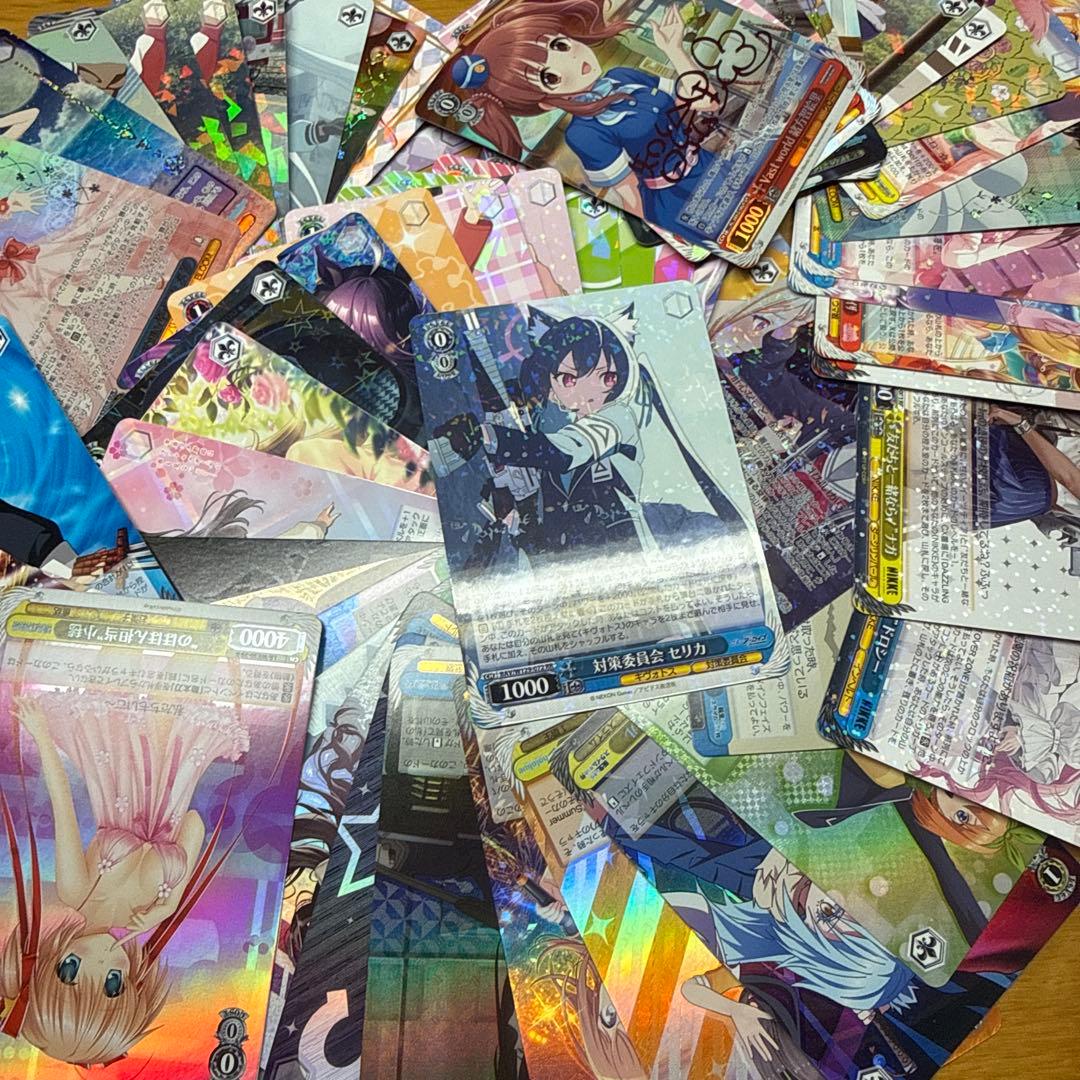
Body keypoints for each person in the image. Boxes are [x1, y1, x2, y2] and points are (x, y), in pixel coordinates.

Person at [1, 695, 248, 1065]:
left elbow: (62, 801)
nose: (101, 963)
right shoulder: (149, 909)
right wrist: (169, 904)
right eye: (113, 984)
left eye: (70, 970)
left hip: (119, 756)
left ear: (46, 964)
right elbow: (194, 823)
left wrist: (40, 733)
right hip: (178, 756)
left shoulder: (76, 892)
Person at [434, 1, 748, 234]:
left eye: (559, 44)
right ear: (543, 103)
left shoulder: (622, 75)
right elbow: (630, 196)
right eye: (550, 77)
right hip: (677, 200)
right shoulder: (583, 134)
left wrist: (674, 49)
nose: (570, 59)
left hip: (713, 166)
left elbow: (705, 101)